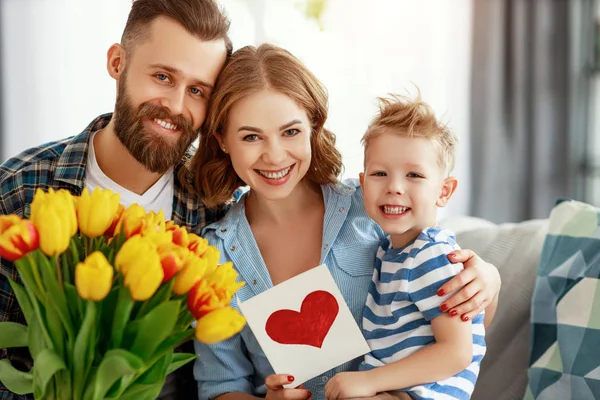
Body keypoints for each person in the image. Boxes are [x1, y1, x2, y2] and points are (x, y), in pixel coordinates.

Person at [192, 43, 500, 400]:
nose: (274, 155)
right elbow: (220, 387)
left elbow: (461, 322)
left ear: (313, 127)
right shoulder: (214, 256)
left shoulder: (373, 205)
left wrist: (488, 281)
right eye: (250, 136)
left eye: (290, 132)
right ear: (222, 140)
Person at [0, 1, 231, 398]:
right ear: (117, 62)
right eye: (162, 76)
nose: (176, 106)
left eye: (197, 91)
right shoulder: (20, 189)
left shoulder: (219, 209)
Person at [324, 95, 487, 400]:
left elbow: (457, 351)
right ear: (362, 183)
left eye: (414, 175)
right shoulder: (389, 251)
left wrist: (370, 381)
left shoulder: (432, 254)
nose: (394, 186)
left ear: (444, 191)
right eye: (379, 174)